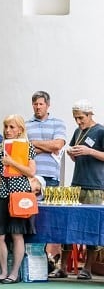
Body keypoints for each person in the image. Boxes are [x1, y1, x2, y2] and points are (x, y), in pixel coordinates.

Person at [59, 99, 104, 278]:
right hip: (76, 183)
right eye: (76, 118)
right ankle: (62, 266)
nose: (78, 122)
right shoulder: (78, 131)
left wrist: (90, 151)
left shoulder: (100, 131)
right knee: (68, 225)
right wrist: (72, 153)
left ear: (89, 115)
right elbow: (77, 156)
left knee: (91, 226)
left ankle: (87, 268)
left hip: (94, 185)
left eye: (81, 118)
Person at [0, 115, 37, 283]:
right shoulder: (0, 147)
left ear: (20, 130)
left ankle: (14, 273)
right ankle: (3, 271)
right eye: (6, 127)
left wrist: (12, 162)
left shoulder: (27, 147)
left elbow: (31, 172)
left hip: (20, 194)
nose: (8, 130)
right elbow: (2, 176)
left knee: (17, 234)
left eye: (12, 127)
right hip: (4, 194)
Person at [25, 91, 67, 270]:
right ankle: (35, 257)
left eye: (41, 104)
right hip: (30, 178)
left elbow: (58, 145)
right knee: (32, 217)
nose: (37, 107)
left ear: (48, 105)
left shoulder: (58, 123)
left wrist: (34, 145)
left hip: (51, 178)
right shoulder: (25, 125)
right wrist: (45, 146)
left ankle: (51, 258)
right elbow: (24, 148)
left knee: (51, 218)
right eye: (35, 104)